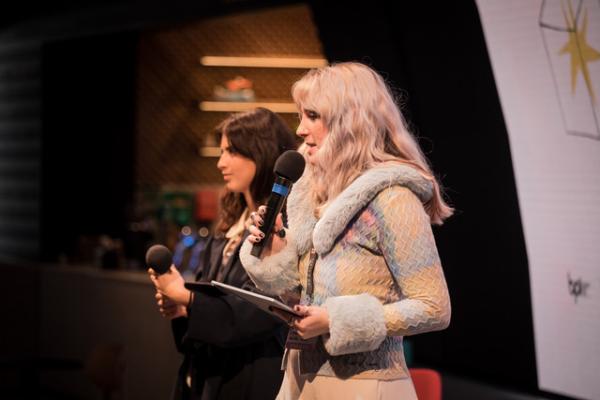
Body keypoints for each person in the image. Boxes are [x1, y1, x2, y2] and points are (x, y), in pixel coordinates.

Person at [240, 62, 453, 399]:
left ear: (349, 121)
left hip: (365, 383)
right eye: (301, 115)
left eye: (312, 115)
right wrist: (274, 255)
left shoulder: (393, 197)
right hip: (299, 376)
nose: (300, 129)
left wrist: (335, 319)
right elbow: (303, 293)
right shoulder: (311, 196)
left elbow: (434, 308)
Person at [148, 107, 298, 400]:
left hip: (252, 381)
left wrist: (186, 297)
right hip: (207, 380)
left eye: (231, 152)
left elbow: (256, 314)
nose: (220, 163)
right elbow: (208, 315)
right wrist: (183, 311)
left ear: (260, 152)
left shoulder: (284, 229)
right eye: (221, 152)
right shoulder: (229, 226)